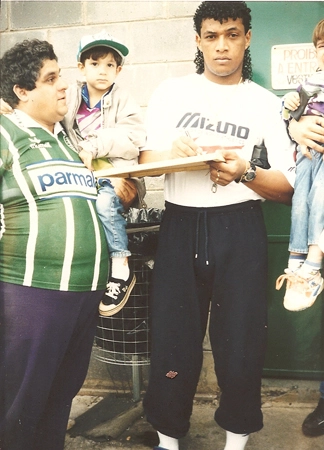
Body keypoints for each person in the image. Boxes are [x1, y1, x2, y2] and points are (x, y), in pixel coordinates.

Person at [140, 2, 296, 450]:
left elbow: (286, 187)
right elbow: (146, 164)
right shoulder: (172, 92)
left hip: (239, 227)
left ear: (247, 38)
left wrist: (245, 171)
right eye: (212, 36)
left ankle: (236, 439)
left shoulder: (264, 103)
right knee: (172, 336)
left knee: (241, 340)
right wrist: (174, 151)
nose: (222, 45)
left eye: (232, 34)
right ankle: (168, 437)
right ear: (198, 41)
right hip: (180, 224)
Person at [0, 39, 109, 450]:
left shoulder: (66, 138)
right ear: (21, 92)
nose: (64, 86)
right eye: (51, 79)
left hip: (83, 294)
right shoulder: (6, 131)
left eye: (61, 75)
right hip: (32, 294)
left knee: (59, 399)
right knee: (19, 406)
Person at [64, 30, 146, 316]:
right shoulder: (70, 96)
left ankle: (121, 270)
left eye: (110, 65)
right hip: (82, 175)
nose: (102, 70)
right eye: (95, 63)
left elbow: (133, 141)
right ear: (81, 67)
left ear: (119, 70)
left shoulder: (123, 99)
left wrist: (93, 147)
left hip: (116, 175)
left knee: (103, 203)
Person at [276, 19, 324, 312]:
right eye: (322, 46)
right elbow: (288, 111)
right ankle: (297, 262)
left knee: (320, 199)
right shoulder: (311, 83)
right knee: (301, 201)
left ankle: (315, 265)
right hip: (309, 154)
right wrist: (290, 113)